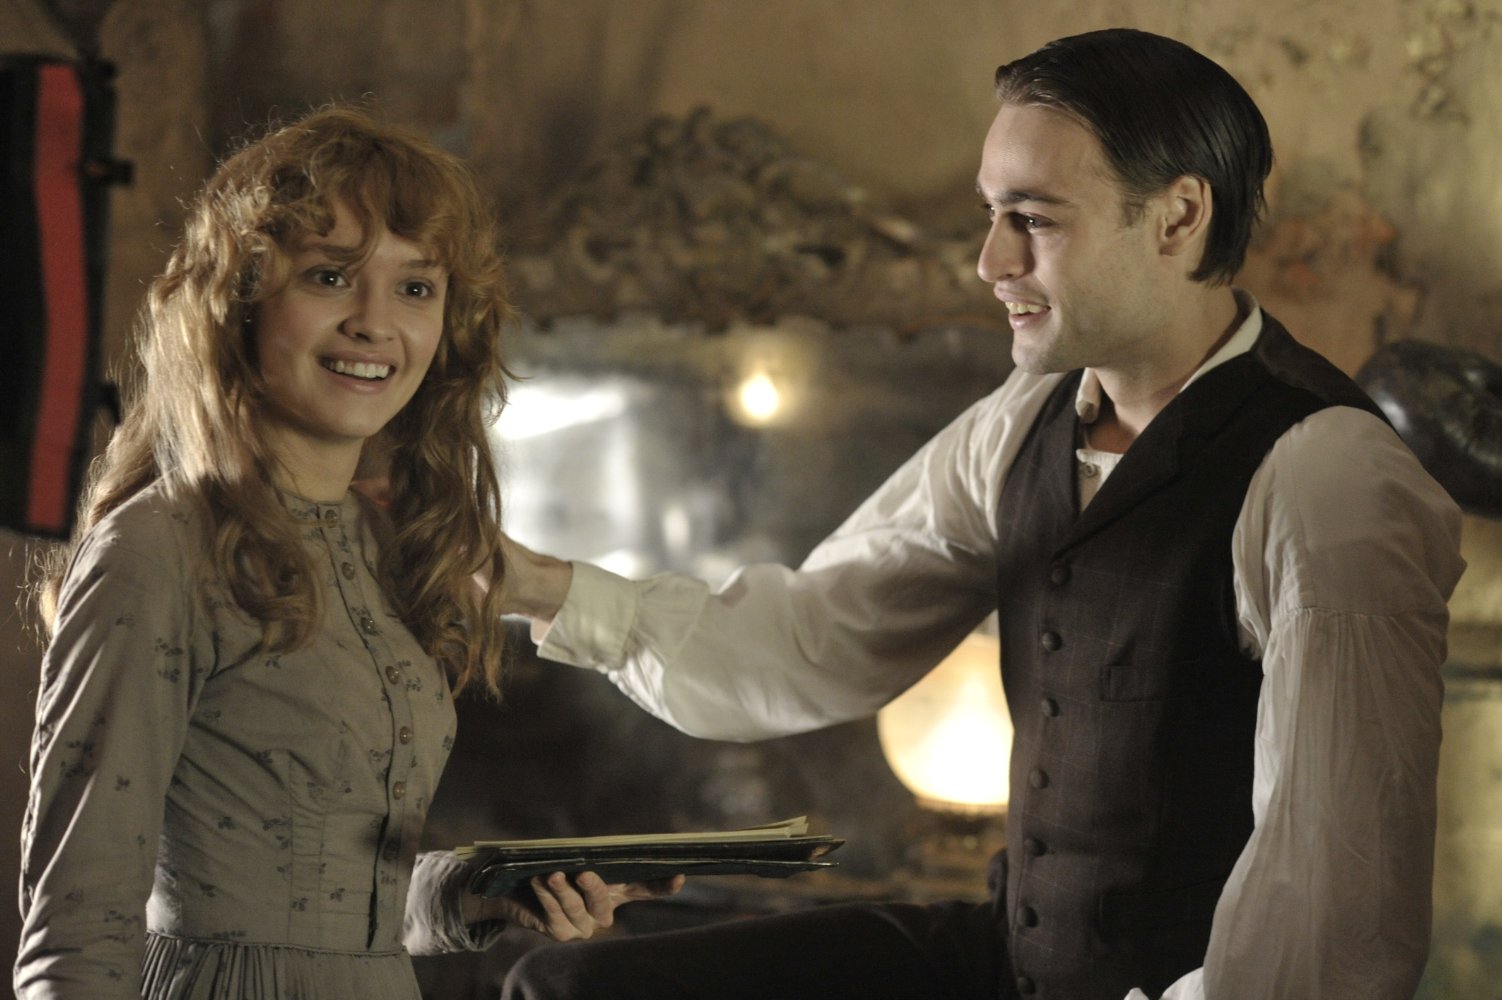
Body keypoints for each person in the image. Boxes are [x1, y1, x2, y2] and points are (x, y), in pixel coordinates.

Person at [491, 27, 1466, 1000]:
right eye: (992, 214)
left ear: (1176, 219)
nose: (990, 260)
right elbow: (815, 636)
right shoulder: (1024, 420)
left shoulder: (1324, 475)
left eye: (1032, 219)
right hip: (1008, 960)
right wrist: (537, 585)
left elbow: (1330, 910)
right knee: (564, 988)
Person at [15, 106, 678, 1000]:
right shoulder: (157, 547)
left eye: (416, 288)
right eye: (330, 276)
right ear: (238, 301)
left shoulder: (388, 544)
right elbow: (76, 926)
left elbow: (338, 903)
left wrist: (486, 891)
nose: (375, 323)